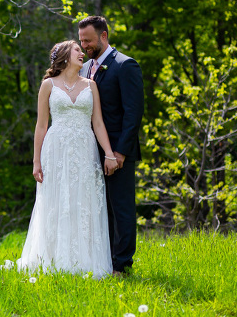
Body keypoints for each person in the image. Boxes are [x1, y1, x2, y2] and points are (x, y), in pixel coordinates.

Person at [18, 40, 118, 279]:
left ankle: (84, 260)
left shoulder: (91, 85)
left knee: (84, 202)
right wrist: (36, 161)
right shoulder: (48, 85)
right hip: (56, 150)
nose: (82, 53)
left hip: (85, 149)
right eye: (77, 50)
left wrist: (109, 153)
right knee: (57, 202)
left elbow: (98, 123)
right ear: (64, 56)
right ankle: (53, 258)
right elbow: (41, 125)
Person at [78, 16, 144, 276]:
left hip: (117, 152)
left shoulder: (125, 65)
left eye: (89, 40)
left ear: (104, 36)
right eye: (82, 40)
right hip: (90, 151)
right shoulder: (85, 68)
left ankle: (122, 265)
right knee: (99, 207)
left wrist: (119, 153)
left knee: (121, 207)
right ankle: (104, 261)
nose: (84, 45)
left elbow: (133, 113)